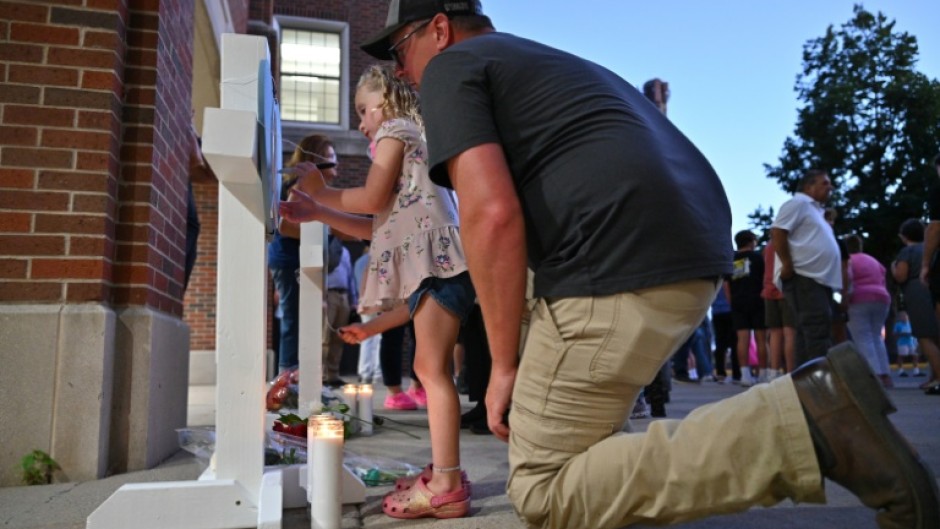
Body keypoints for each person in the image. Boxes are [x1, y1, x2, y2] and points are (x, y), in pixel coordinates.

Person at [360, 2, 940, 528]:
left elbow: (491, 216)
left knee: (545, 488)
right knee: (582, 455)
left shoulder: (451, 68)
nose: (400, 70)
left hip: (615, 261)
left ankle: (812, 424)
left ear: (438, 29)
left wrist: (503, 362)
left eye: (400, 49)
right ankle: (810, 420)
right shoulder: (546, 64)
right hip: (688, 249)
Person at [279, 63, 475, 519]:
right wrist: (316, 209)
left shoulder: (396, 130)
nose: (361, 122)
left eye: (363, 110)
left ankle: (446, 482)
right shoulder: (405, 143)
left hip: (440, 262)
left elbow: (367, 200)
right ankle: (445, 471)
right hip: (439, 265)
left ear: (384, 104)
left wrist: (321, 190)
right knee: (430, 368)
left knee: (431, 370)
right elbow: (374, 226)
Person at [267, 134, 338, 373]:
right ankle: (287, 377)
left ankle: (300, 375)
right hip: (290, 261)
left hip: (298, 260)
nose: (335, 161)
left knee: (304, 319)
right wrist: (324, 232)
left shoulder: (316, 189)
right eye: (329, 156)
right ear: (314, 160)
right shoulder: (301, 186)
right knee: (294, 319)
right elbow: (286, 226)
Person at [771, 170, 843, 365]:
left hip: (819, 279)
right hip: (805, 277)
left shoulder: (815, 210)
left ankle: (805, 381)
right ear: (808, 186)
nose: (830, 187)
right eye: (824, 183)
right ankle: (820, 380)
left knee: (809, 331)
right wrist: (787, 264)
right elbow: (778, 231)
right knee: (816, 328)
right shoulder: (798, 204)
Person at [892, 218, 940, 393]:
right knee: (936, 335)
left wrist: (893, 268)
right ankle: (933, 377)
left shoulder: (907, 251)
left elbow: (901, 276)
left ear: (903, 236)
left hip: (916, 291)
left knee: (924, 336)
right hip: (933, 288)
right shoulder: (931, 249)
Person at [844, 234, 892, 387]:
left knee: (863, 337)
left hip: (859, 299)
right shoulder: (873, 260)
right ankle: (885, 374)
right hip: (882, 298)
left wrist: (843, 299)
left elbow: (848, 278)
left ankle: (874, 376)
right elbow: (884, 275)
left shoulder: (848, 261)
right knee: (877, 336)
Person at [728, 230, 767, 385]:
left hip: (738, 301)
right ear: (751, 241)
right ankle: (763, 374)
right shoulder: (758, 258)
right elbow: (765, 278)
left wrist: (732, 300)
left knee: (742, 339)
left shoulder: (731, 260)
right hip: (758, 300)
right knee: (761, 339)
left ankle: (745, 375)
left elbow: (726, 284)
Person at [762, 238, 796, 375]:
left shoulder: (769, 246)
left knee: (775, 334)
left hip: (769, 290)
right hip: (786, 291)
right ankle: (791, 372)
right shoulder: (788, 242)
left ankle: (773, 372)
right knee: (790, 333)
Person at [354, 244, 382, 384]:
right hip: (377, 300)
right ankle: (377, 372)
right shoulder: (379, 257)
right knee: (379, 338)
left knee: (365, 337)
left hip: (363, 301)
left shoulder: (359, 262)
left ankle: (364, 371)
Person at [892, 310, 922, 377]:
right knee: (901, 356)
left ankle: (916, 371)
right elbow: (894, 334)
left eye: (905, 316)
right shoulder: (898, 325)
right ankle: (900, 371)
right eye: (902, 316)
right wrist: (903, 334)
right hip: (902, 343)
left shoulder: (910, 324)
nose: (904, 317)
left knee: (915, 356)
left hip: (911, 342)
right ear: (900, 318)